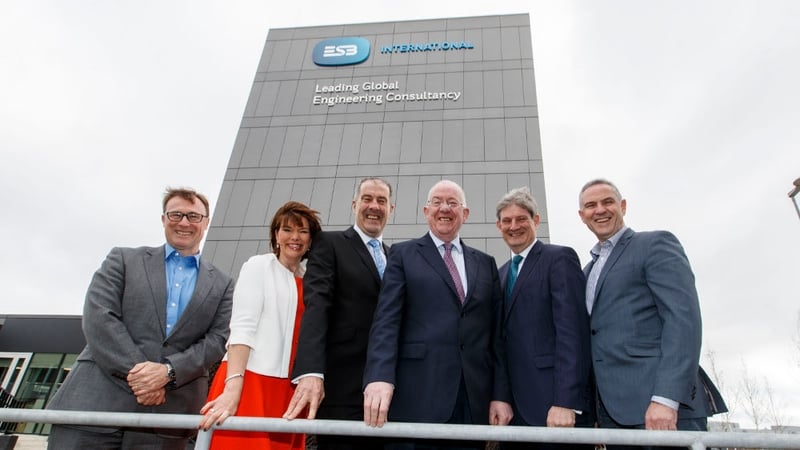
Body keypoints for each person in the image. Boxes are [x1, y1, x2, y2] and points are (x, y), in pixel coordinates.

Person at [46, 187, 234, 449]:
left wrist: (168, 372)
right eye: (176, 214)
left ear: (206, 222)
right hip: (94, 406)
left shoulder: (223, 284)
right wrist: (144, 376)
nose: (184, 222)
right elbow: (100, 317)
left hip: (166, 419)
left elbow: (217, 340)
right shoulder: (122, 259)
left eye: (193, 216)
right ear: (163, 219)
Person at [363, 179, 512, 450]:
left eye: (453, 203)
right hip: (416, 397)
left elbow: (496, 338)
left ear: (465, 214)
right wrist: (379, 376)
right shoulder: (403, 255)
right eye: (437, 202)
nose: (445, 208)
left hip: (471, 403)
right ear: (426, 211)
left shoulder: (486, 264)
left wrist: (500, 396)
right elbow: (386, 321)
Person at [578, 179, 726, 450]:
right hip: (614, 415)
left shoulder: (654, 244)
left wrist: (666, 398)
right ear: (582, 216)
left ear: (622, 206)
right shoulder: (587, 271)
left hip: (661, 410)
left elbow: (682, 321)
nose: (600, 210)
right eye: (590, 205)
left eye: (607, 202)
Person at [199, 200, 322, 449]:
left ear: (311, 240)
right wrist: (233, 387)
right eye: (287, 229)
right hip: (250, 383)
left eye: (303, 231)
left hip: (289, 391)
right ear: (276, 235)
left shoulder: (311, 280)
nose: (294, 237)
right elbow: (241, 328)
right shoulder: (258, 266)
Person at [283, 177, 394, 450]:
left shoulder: (397, 257)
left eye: (382, 201)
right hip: (341, 390)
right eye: (367, 199)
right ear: (355, 204)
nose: (374, 206)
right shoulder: (330, 244)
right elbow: (317, 304)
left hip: (388, 391)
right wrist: (310, 371)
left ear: (391, 209)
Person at [495, 186, 593, 450]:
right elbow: (501, 343)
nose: (513, 226)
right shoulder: (501, 274)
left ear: (536, 221)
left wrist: (566, 401)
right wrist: (500, 397)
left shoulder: (559, 259)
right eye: (507, 221)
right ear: (499, 226)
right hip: (514, 414)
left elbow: (573, 333)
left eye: (521, 219)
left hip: (555, 409)